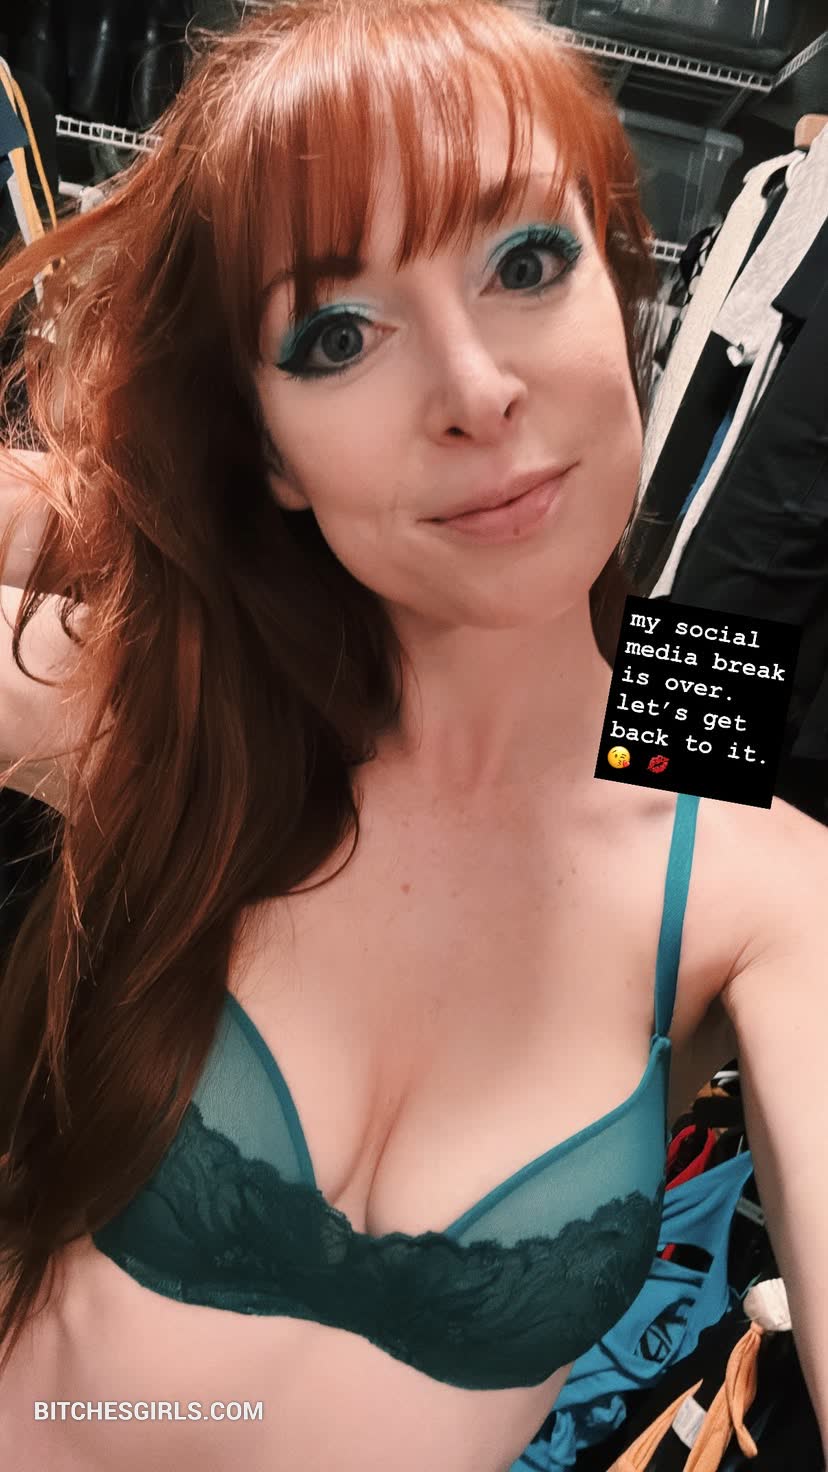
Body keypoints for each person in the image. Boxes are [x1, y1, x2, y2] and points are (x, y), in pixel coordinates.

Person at [0, 3, 826, 1470]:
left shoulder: (768, 895)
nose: (477, 390)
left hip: (702, 647)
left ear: (619, 287)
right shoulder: (170, 708)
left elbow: (746, 541)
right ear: (266, 446)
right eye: (336, 336)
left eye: (530, 264)